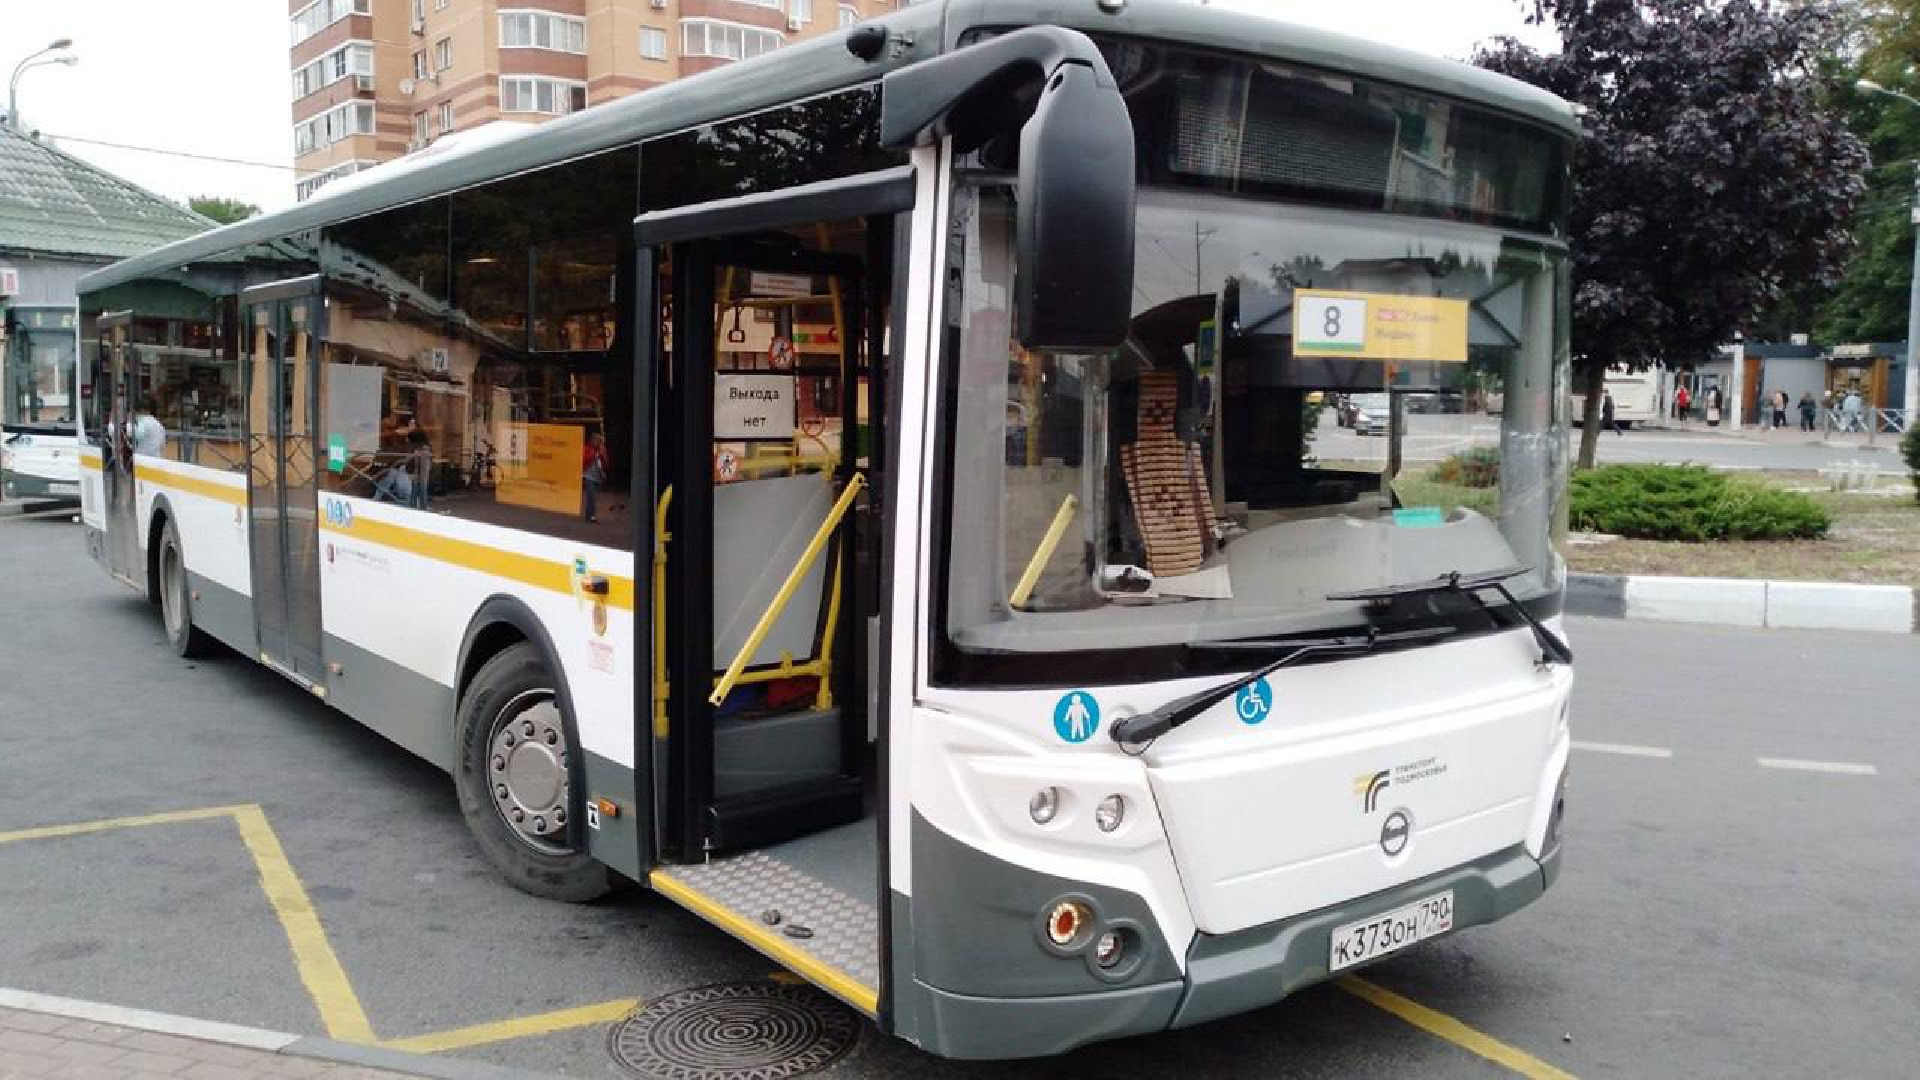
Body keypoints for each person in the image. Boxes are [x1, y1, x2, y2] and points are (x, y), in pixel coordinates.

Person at [581, 429, 610, 523]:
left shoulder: (602, 450)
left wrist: (602, 454)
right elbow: (584, 459)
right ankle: (592, 516)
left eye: (599, 441)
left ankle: (588, 515)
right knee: (591, 496)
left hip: (597, 477)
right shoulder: (587, 449)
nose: (598, 442)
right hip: (588, 476)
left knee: (592, 497)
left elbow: (606, 464)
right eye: (597, 440)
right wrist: (594, 454)